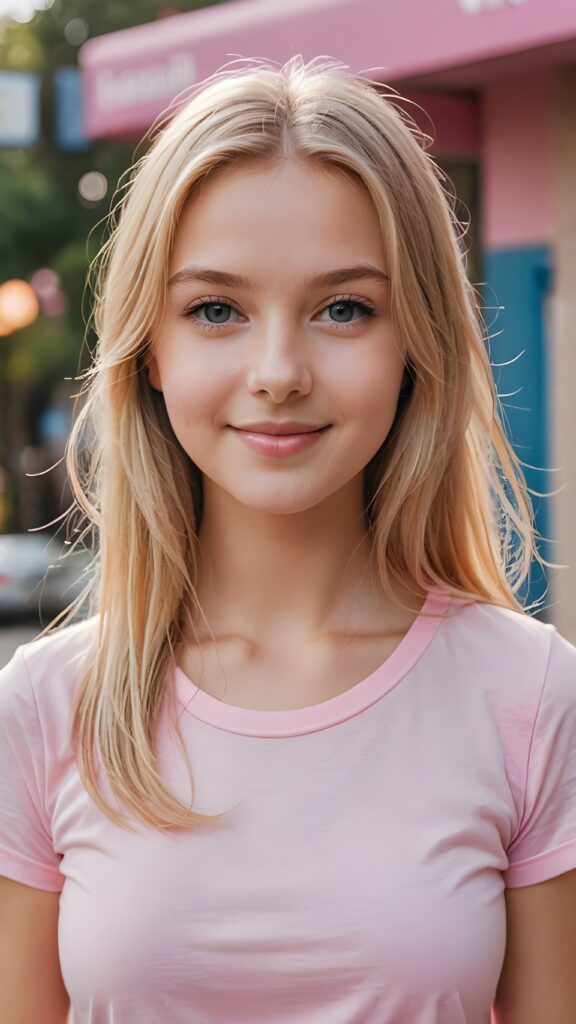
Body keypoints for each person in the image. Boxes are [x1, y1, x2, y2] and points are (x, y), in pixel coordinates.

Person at [0, 56, 575, 1024]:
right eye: (215, 309)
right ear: (150, 350)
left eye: (343, 307)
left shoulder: (528, 695)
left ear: (415, 344)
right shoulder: (42, 710)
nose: (277, 370)